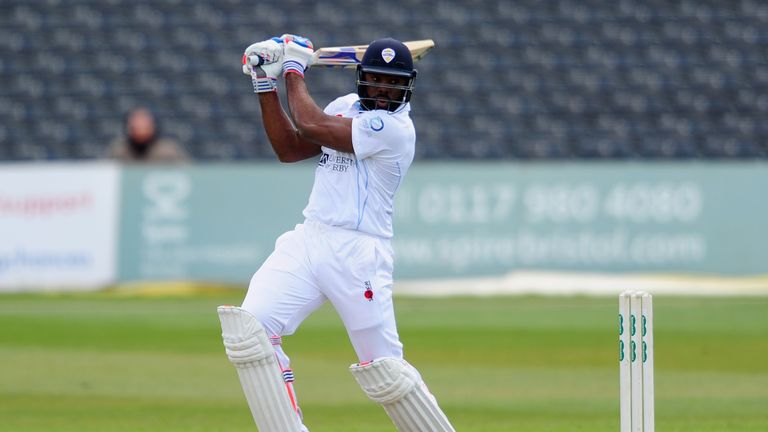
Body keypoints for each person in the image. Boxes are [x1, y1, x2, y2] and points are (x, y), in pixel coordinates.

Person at [216, 35, 455, 432]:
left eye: (393, 84)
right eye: (377, 81)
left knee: (386, 372)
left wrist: (293, 68)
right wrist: (264, 82)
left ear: (408, 86)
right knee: (251, 332)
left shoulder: (395, 129)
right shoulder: (344, 106)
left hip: (359, 253)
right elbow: (291, 148)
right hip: (310, 239)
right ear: (362, 78)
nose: (383, 91)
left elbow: (309, 123)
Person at [106, 107, 190, 163]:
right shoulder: (118, 151)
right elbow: (103, 172)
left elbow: (187, 173)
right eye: (136, 126)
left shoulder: (168, 151)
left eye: (144, 126)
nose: (141, 129)